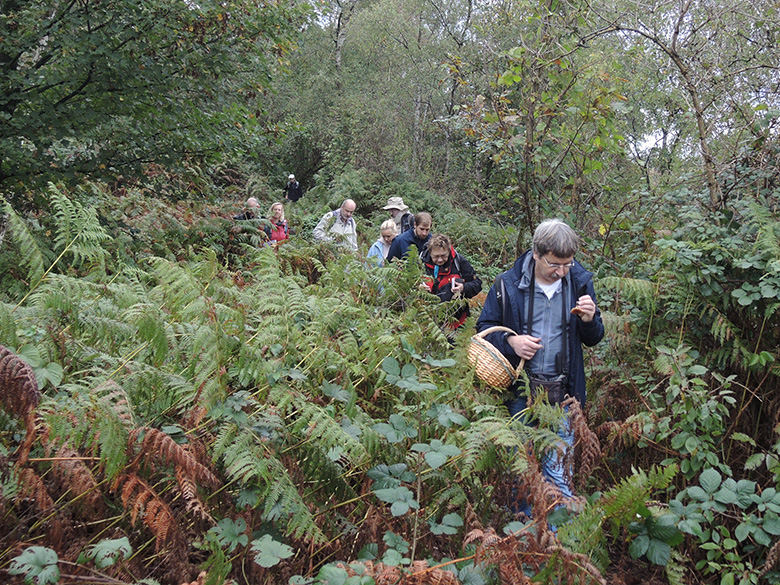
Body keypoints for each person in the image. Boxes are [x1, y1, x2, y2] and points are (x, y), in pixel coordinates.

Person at [475, 219, 604, 507]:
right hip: (521, 394)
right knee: (520, 475)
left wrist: (590, 319)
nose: (561, 272)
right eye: (554, 264)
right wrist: (511, 343)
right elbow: (484, 327)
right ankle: (523, 540)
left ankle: (557, 543)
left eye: (568, 264)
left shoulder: (580, 283)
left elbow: (594, 338)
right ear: (536, 254)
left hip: (564, 394)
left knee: (559, 476)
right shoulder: (507, 285)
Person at [420, 234, 482, 329]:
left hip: (458, 322)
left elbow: (477, 284)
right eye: (436, 256)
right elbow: (408, 287)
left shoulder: (459, 262)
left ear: (449, 251)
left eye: (444, 256)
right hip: (428, 321)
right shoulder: (421, 263)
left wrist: (463, 288)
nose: (440, 260)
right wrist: (419, 289)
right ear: (430, 252)